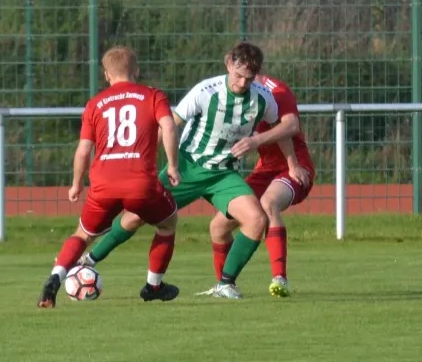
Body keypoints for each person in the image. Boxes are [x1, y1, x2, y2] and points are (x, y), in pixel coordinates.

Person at [78, 41, 308, 299]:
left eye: (249, 78)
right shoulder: (205, 91)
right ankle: (89, 260)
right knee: (134, 216)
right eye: (239, 75)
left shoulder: (262, 98)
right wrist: (148, 164)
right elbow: (169, 125)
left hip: (223, 175)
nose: (243, 83)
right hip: (188, 168)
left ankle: (226, 284)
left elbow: (281, 131)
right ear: (228, 64)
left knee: (256, 220)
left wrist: (292, 164)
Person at [37, 45, 182, 308]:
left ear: (106, 75)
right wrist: (172, 165)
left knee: (82, 235)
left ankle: (55, 277)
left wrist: (76, 183)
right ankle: (153, 286)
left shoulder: (95, 104)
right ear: (136, 70)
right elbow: (169, 127)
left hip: (102, 184)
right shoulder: (153, 96)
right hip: (141, 183)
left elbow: (83, 150)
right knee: (167, 224)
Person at [202, 74, 314, 298]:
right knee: (218, 226)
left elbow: (288, 127)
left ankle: (279, 279)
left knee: (268, 203)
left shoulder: (275, 91)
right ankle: (224, 285)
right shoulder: (227, 95)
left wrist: (292, 164)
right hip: (264, 170)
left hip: (293, 166)